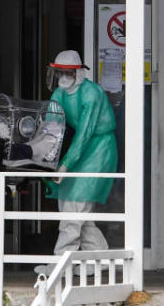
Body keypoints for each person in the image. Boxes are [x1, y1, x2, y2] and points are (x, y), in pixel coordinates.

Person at [35, 50, 118, 276]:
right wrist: (41, 158)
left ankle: (60, 265)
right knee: (75, 210)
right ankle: (101, 259)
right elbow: (51, 130)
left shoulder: (92, 93)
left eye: (67, 73)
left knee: (74, 209)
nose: (62, 77)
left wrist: (64, 165)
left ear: (78, 73)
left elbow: (85, 134)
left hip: (99, 148)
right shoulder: (58, 96)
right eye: (58, 72)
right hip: (79, 152)